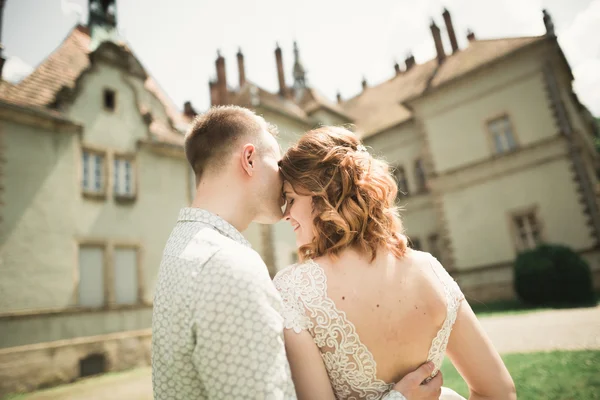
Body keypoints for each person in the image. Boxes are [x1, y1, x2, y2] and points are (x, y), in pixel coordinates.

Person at [151, 106, 444, 399]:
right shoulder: (229, 266)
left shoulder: (181, 248)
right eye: (277, 163)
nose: (284, 177)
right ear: (249, 159)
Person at [274, 126, 517, 400]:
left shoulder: (294, 288)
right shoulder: (429, 269)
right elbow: (500, 392)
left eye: (291, 199)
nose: (286, 214)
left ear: (322, 195)